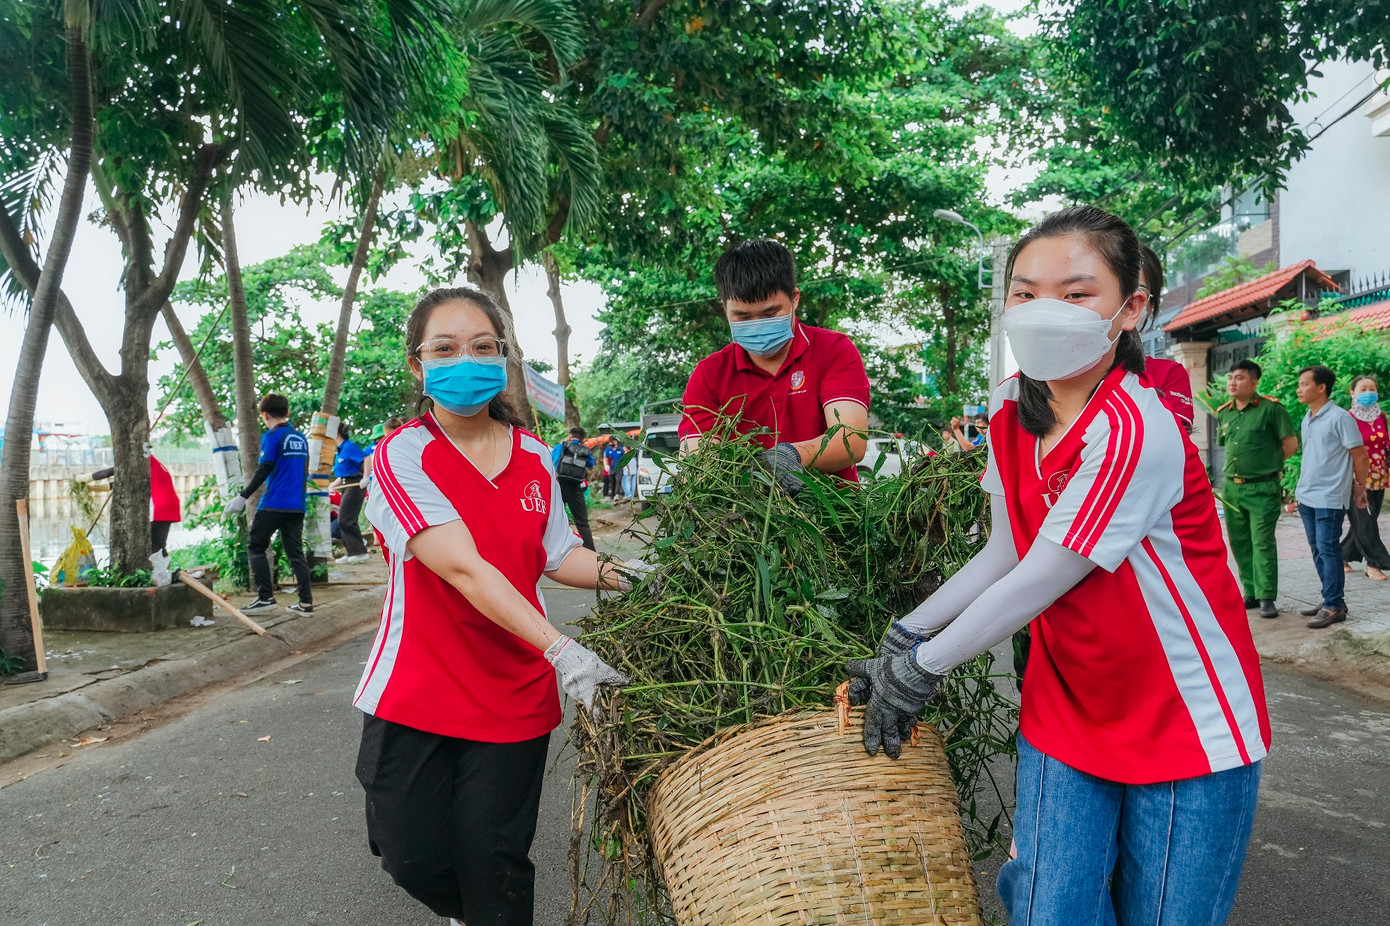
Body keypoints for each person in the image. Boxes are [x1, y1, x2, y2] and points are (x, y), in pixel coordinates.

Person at [845, 205, 1268, 925]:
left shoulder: (1136, 428)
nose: (1046, 311)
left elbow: (1047, 572)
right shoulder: (1010, 411)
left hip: (1184, 717)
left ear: (1130, 308)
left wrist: (924, 667)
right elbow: (1004, 551)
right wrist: (904, 633)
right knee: (1049, 910)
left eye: (1077, 294)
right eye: (1025, 290)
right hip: (1067, 705)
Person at [353, 286, 627, 926]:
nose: (465, 360)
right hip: (416, 689)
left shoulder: (535, 455)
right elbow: (464, 567)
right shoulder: (403, 454)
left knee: (495, 858)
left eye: (482, 346)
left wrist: (634, 577)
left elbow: (559, 556)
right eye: (444, 348)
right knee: (408, 854)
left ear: (503, 358)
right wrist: (562, 648)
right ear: (418, 366)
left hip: (514, 693)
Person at [679, 239, 870, 493]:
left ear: (795, 298)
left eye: (770, 314)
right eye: (742, 316)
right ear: (724, 307)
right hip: (741, 524)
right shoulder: (709, 375)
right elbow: (698, 462)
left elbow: (851, 440)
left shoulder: (833, 350)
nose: (757, 325)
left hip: (834, 521)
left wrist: (789, 456)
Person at [1216, 359, 1298, 619]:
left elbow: (1290, 444)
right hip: (1232, 488)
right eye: (1231, 378)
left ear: (1254, 382)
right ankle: (1249, 591)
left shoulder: (1271, 410)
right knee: (1240, 543)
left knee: (1262, 542)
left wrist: (1268, 466)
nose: (1232, 382)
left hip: (1262, 487)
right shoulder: (1224, 412)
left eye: (1239, 378)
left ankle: (1266, 596)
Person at [1293, 365, 1371, 628]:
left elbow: (1360, 455)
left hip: (1329, 497)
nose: (1299, 389)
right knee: (1318, 550)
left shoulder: (1340, 417)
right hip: (1307, 495)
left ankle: (1334, 605)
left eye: (1304, 384)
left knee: (1329, 549)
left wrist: (1360, 487)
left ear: (1321, 387)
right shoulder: (1308, 417)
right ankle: (1331, 598)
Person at [223, 394, 313, 614]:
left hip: (274, 503)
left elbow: (264, 468)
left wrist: (243, 496)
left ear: (265, 415)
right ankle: (305, 603)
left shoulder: (273, 437)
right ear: (287, 413)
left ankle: (265, 597)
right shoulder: (300, 437)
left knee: (255, 545)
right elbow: (304, 471)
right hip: (296, 505)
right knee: (296, 553)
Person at [1137, 244, 1196, 430]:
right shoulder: (1059, 373)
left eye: (1138, 293)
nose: (1125, 303)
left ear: (1151, 304)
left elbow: (1175, 441)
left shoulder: (1168, 374)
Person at [1341, 374, 1390, 581]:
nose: (1369, 393)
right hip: (1356, 477)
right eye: (1363, 389)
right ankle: (1374, 563)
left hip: (1379, 475)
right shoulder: (1347, 418)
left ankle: (1341, 555)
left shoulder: (1382, 417)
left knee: (1366, 520)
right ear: (1352, 393)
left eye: (1372, 389)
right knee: (1365, 522)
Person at [90, 452, 182, 556]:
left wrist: (86, 477)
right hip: (169, 505)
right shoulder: (153, 465)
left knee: (155, 546)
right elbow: (123, 482)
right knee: (158, 544)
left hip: (160, 507)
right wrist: (93, 488)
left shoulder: (143, 462)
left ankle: (162, 571)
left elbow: (109, 472)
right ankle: (166, 571)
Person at [331, 422, 371, 564]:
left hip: (355, 486)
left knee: (345, 519)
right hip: (345, 485)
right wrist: (330, 487)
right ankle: (351, 551)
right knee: (345, 520)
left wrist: (366, 478)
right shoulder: (340, 450)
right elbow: (342, 475)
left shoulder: (349, 447)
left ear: (336, 434)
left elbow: (367, 458)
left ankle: (359, 552)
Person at [551, 426, 596, 550]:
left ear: (570, 436)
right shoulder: (585, 450)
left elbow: (552, 462)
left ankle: (558, 549)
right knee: (582, 522)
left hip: (559, 485)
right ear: (582, 439)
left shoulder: (561, 446)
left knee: (557, 519)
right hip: (575, 487)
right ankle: (591, 551)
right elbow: (591, 464)